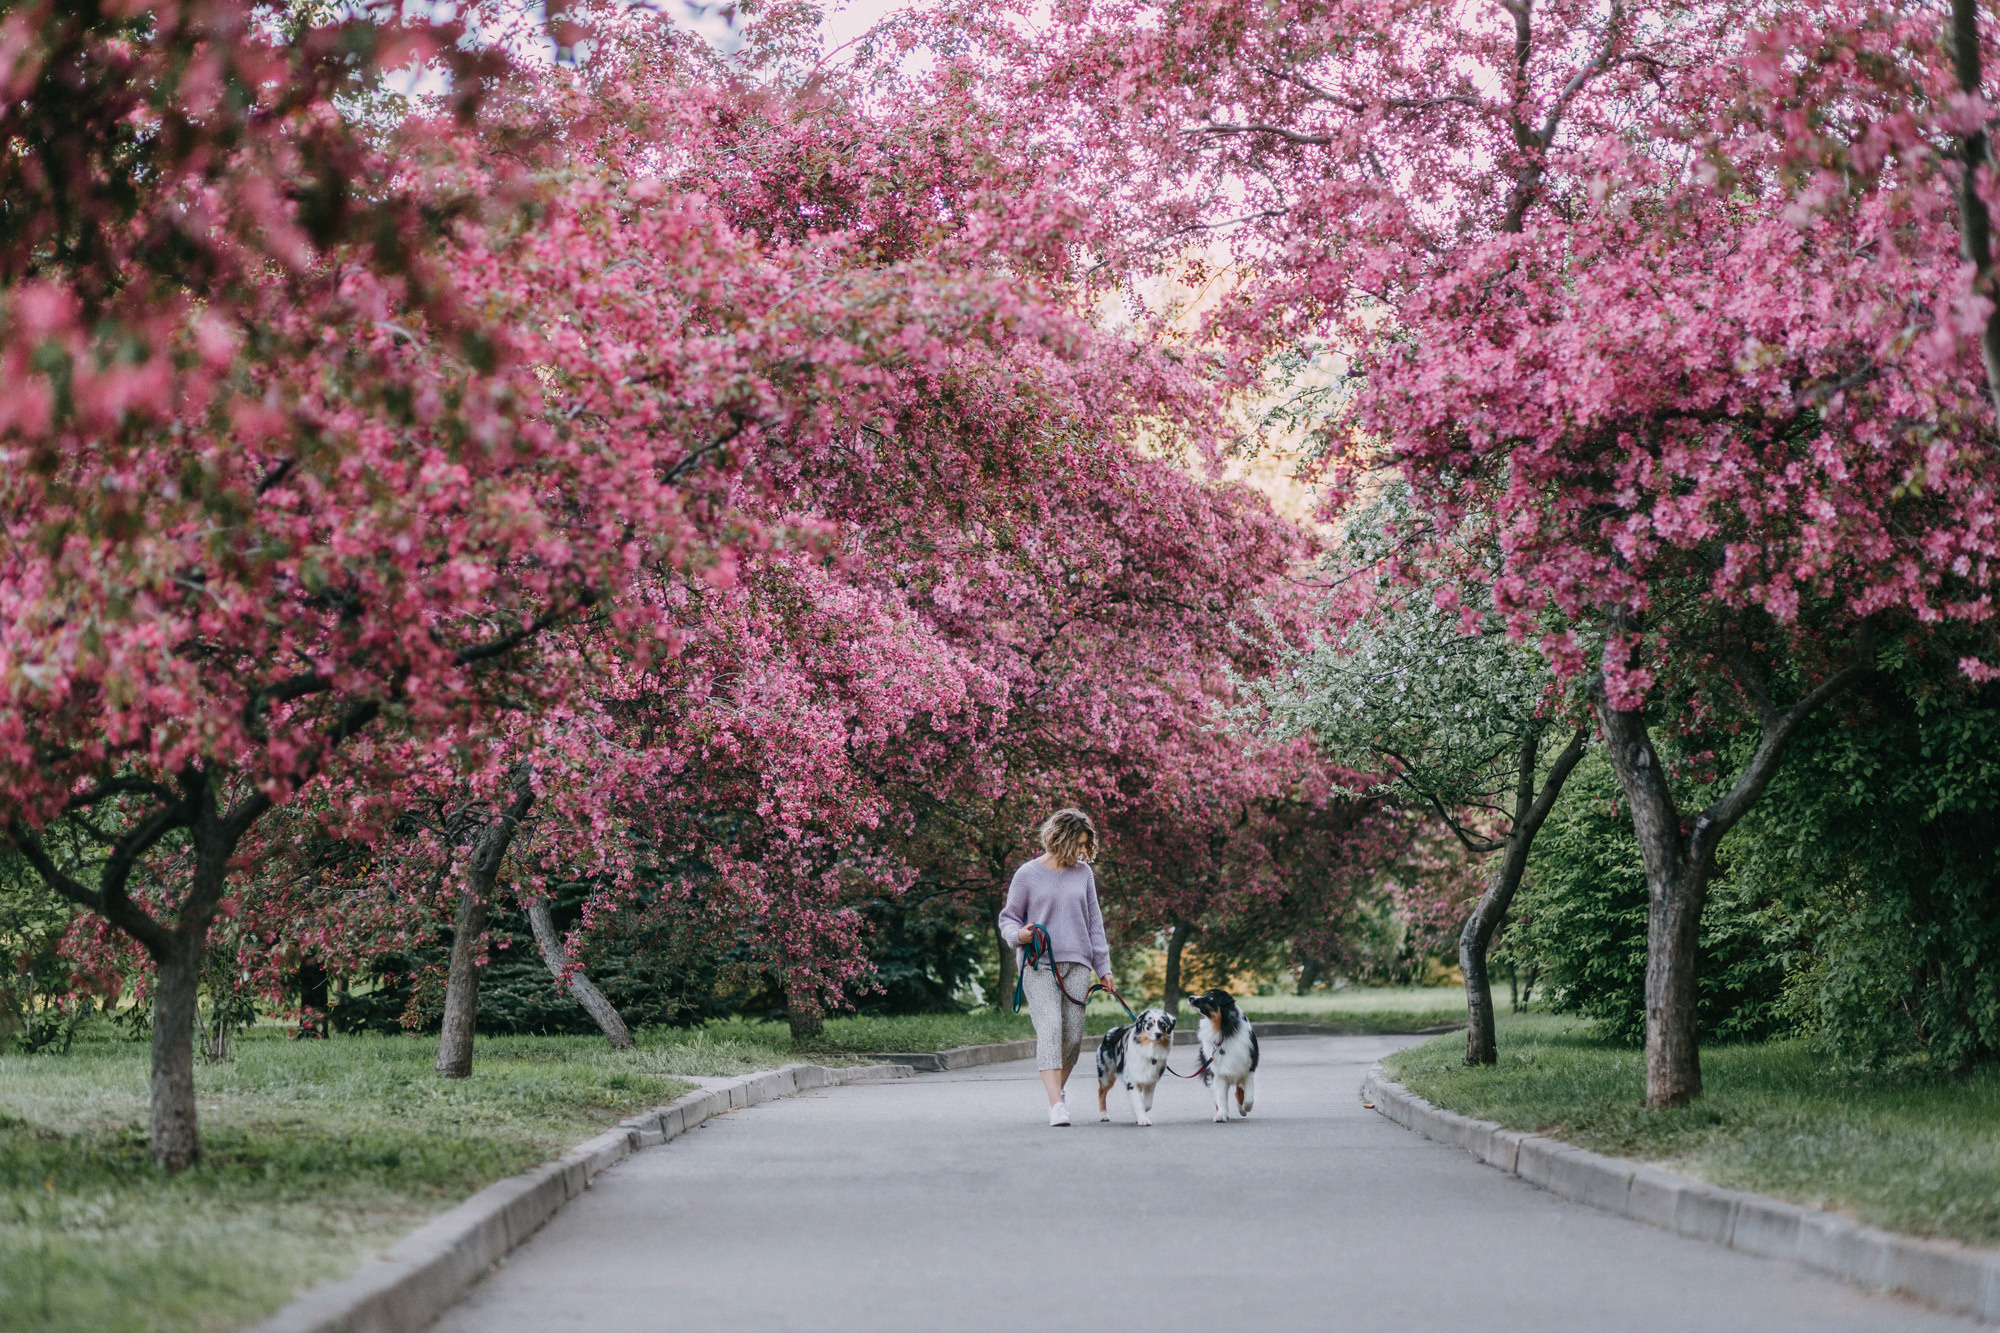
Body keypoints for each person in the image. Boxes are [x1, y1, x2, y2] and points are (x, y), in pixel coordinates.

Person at [997, 808, 1114, 1126]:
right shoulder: (1028, 874)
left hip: (1077, 964)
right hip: (1039, 965)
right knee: (1050, 1028)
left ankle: (1056, 1093)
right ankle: (1056, 1107)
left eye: (1084, 845)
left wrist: (1104, 969)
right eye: (1076, 843)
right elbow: (1008, 918)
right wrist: (1019, 935)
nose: (1080, 851)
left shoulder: (1084, 874)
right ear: (1059, 838)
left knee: (1073, 1037)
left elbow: (1094, 925)